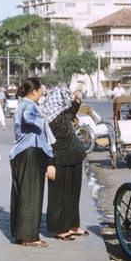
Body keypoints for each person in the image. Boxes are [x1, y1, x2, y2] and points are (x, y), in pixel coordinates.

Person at [9, 77, 54, 247]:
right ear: (33, 91)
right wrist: (43, 119)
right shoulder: (28, 106)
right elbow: (28, 119)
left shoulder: (24, 104)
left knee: (23, 195)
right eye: (40, 91)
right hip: (29, 153)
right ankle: (29, 237)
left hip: (22, 154)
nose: (42, 94)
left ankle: (22, 233)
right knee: (31, 196)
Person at [43, 87, 88, 241]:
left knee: (73, 194)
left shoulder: (61, 114)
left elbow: (71, 113)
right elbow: (46, 143)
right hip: (58, 160)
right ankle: (59, 229)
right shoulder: (47, 119)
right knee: (58, 196)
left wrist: (77, 101)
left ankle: (73, 225)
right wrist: (49, 164)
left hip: (75, 156)